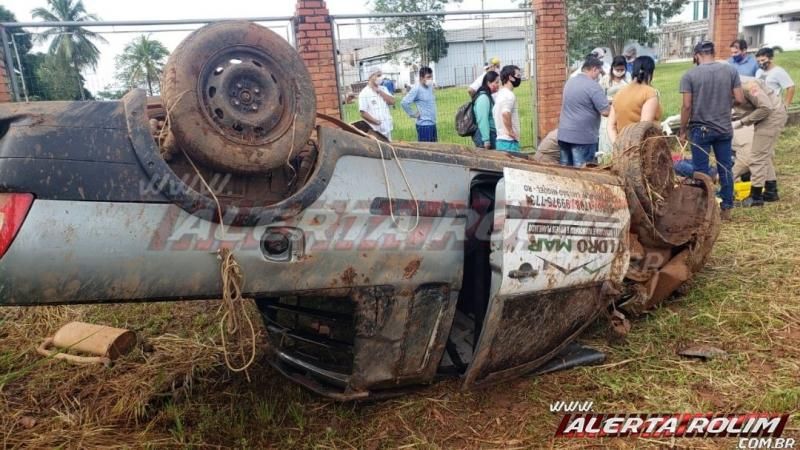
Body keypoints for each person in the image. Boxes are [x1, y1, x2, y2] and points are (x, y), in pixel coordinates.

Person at [679, 40, 744, 221]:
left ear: (696, 55)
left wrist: (682, 130)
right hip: (724, 128)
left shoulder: (690, 75)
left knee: (700, 171)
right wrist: (725, 103)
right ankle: (726, 208)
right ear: (713, 53)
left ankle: (703, 210)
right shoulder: (730, 70)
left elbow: (686, 106)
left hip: (700, 129)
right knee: (725, 168)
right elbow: (740, 99)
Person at [731, 77, 787, 206]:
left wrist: (742, 122)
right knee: (763, 154)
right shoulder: (727, 86)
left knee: (756, 156)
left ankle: (755, 197)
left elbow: (765, 108)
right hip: (764, 116)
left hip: (771, 116)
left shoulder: (749, 86)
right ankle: (771, 191)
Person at [558, 56, 610, 167]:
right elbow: (605, 112)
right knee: (582, 171)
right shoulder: (593, 86)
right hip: (583, 138)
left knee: (564, 171)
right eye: (599, 72)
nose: (599, 75)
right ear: (594, 69)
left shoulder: (569, 82)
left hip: (564, 135)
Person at [608, 56, 662, 144]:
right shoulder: (649, 93)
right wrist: (636, 148)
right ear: (651, 73)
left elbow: (611, 126)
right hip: (645, 147)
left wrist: (617, 146)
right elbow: (643, 128)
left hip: (623, 146)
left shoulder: (619, 94)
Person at [599, 56, 631, 154]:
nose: (620, 72)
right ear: (613, 68)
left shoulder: (628, 77)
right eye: (617, 70)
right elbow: (599, 97)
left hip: (624, 112)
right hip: (609, 112)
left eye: (622, 70)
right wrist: (611, 102)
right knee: (608, 137)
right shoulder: (605, 79)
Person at [401, 67, 438, 142]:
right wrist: (413, 114)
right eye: (428, 77)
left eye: (431, 77)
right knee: (425, 148)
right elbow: (404, 102)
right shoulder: (416, 89)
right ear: (421, 78)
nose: (431, 79)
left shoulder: (429, 86)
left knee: (434, 148)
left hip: (433, 123)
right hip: (424, 126)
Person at [359, 69, 396, 141]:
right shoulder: (364, 93)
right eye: (378, 75)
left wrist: (380, 92)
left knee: (388, 146)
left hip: (387, 127)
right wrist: (376, 122)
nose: (381, 78)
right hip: (375, 131)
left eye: (381, 75)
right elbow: (363, 113)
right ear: (371, 77)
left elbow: (392, 101)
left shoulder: (384, 89)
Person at [492, 65, 522, 152]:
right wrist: (511, 132)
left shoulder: (500, 94)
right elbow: (505, 113)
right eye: (518, 75)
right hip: (509, 142)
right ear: (510, 77)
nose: (520, 78)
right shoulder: (509, 95)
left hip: (501, 141)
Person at [472, 71, 500, 149]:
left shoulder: (488, 96)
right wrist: (486, 139)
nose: (498, 84)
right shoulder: (483, 98)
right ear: (488, 83)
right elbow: (483, 119)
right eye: (496, 82)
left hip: (491, 134)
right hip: (487, 135)